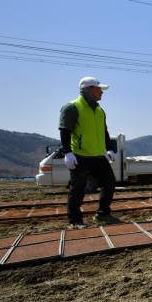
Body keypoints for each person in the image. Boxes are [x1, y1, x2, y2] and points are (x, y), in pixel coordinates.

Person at [59, 76, 119, 229]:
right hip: (80, 155)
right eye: (99, 89)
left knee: (109, 182)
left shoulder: (100, 110)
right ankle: (75, 220)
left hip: (98, 155)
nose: (102, 92)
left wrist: (110, 148)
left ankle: (102, 214)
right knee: (78, 189)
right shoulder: (72, 107)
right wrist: (67, 153)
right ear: (90, 89)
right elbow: (65, 130)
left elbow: (104, 131)